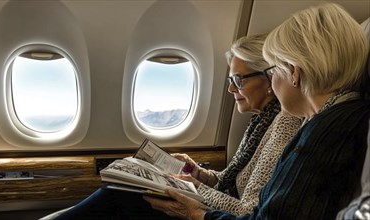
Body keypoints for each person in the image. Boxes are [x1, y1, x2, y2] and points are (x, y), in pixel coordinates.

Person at [144, 3, 370, 220]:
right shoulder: (330, 119)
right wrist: (199, 178)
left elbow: (258, 212)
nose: (272, 82)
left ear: (293, 72)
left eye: (273, 71)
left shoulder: (323, 131)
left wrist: (195, 213)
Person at [49, 34, 301, 219]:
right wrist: (197, 173)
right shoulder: (260, 122)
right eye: (230, 80)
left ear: (268, 78)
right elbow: (233, 181)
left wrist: (193, 188)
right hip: (213, 204)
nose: (231, 89)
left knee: (122, 196)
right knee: (120, 190)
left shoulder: (284, 125)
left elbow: (247, 209)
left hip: (213, 215)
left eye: (238, 80)